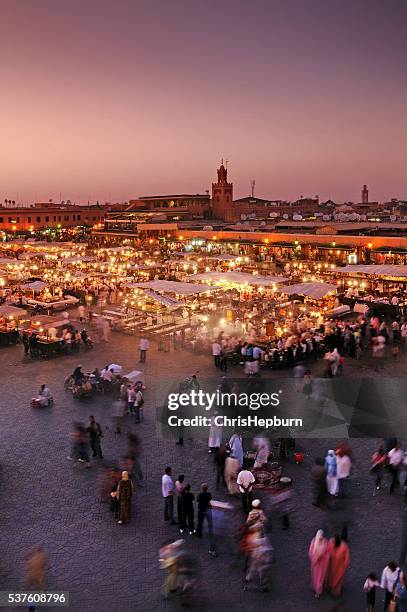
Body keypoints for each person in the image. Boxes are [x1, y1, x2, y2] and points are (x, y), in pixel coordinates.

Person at [309, 530, 330, 598]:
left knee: (320, 577)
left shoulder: (325, 542)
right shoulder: (314, 541)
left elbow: (328, 552)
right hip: (317, 565)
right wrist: (315, 558)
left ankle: (318, 590)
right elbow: (311, 552)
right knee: (317, 577)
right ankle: (318, 590)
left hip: (321, 564)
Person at [196, 483, 215, 555]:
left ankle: (199, 533)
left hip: (201, 510)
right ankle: (211, 532)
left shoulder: (200, 495)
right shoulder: (209, 494)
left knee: (200, 522)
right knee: (210, 522)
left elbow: (197, 500)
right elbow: (210, 499)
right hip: (207, 509)